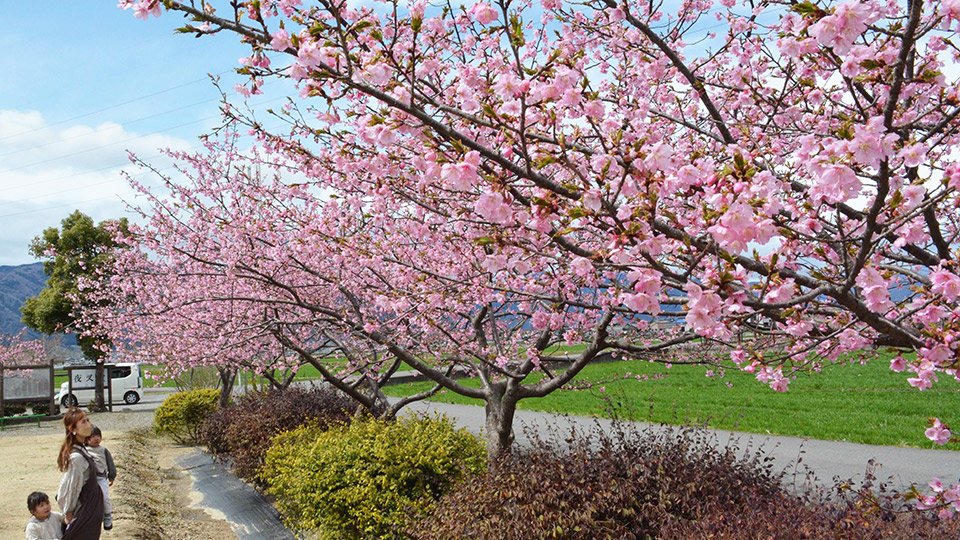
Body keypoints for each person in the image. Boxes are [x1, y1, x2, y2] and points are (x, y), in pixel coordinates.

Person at [56, 408, 104, 540]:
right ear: (73, 429)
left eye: (88, 420)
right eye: (83, 422)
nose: (88, 424)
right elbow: (73, 487)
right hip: (85, 510)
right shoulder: (77, 458)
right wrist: (69, 511)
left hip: (92, 508)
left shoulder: (83, 448)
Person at [85, 426, 116, 530]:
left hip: (101, 478)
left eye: (98, 436)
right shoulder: (84, 450)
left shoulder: (103, 450)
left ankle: (107, 516)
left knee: (105, 497)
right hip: (88, 480)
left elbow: (110, 463)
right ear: (87, 438)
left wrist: (112, 475)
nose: (96, 438)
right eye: (93, 436)